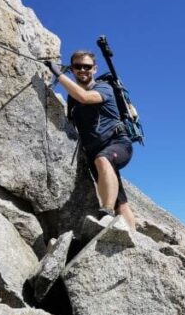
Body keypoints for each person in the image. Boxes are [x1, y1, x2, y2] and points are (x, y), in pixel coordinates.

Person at [49, 50, 137, 229]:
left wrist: (58, 74)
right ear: (72, 69)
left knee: (103, 160)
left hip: (117, 143)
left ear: (94, 69)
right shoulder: (72, 99)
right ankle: (133, 238)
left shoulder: (104, 88)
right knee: (121, 202)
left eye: (87, 66)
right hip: (93, 152)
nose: (82, 70)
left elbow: (85, 97)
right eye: (77, 66)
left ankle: (106, 214)